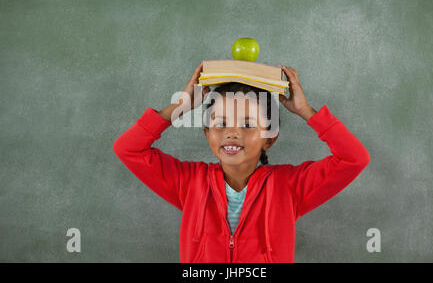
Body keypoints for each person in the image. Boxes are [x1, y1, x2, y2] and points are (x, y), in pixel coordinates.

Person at [113, 62, 370, 262]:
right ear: (207, 133)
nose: (232, 132)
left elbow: (354, 158)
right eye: (221, 123)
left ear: (269, 139)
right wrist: (179, 106)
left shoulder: (289, 187)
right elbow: (128, 149)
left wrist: (306, 111)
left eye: (247, 124)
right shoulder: (189, 182)